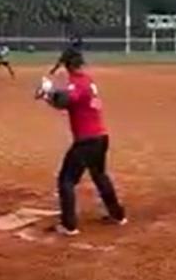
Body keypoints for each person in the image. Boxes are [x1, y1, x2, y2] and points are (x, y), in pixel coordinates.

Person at [35, 52, 126, 236]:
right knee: (99, 175)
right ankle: (117, 215)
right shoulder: (87, 80)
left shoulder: (76, 83)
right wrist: (48, 95)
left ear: (67, 65)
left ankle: (69, 225)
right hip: (100, 137)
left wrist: (47, 92)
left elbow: (66, 99)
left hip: (87, 141)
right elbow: (67, 103)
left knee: (66, 180)